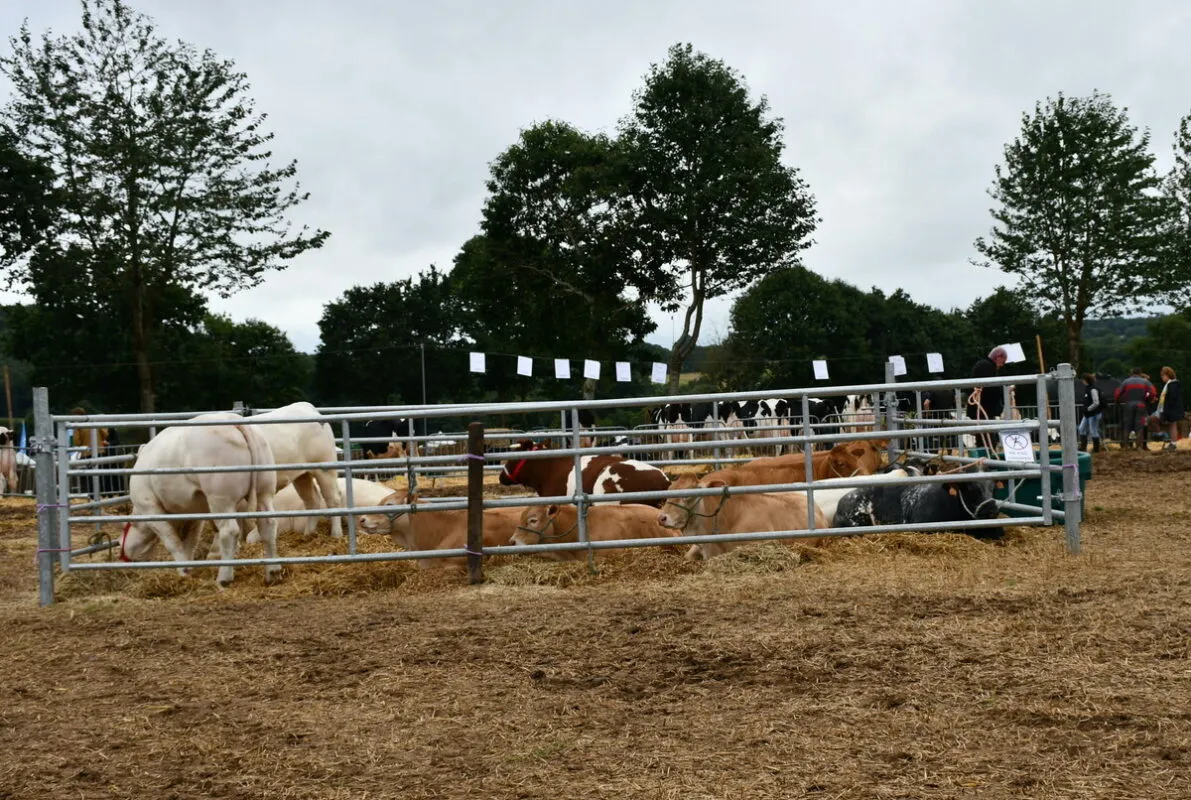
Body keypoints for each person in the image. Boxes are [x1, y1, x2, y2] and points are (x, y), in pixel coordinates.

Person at [1114, 368, 1157, 450]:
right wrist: (1148, 399)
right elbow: (1153, 392)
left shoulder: (1126, 382)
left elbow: (1117, 393)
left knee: (1127, 426)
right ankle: (1139, 447)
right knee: (1140, 426)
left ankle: (1125, 446)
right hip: (1141, 404)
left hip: (1128, 404)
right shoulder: (1145, 382)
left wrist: (1118, 402)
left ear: (1132, 373)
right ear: (1140, 373)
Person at [967, 346, 1008, 420]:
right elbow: (991, 388)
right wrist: (1005, 390)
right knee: (987, 430)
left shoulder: (985, 365)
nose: (1002, 365)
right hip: (982, 409)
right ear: (998, 357)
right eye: (1003, 361)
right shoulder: (987, 366)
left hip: (980, 409)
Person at [1156, 366, 1184, 451]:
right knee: (1172, 425)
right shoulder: (1171, 384)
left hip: (1172, 409)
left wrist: (1166, 410)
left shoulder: (1172, 385)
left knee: (1172, 425)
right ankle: (1172, 442)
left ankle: (1173, 443)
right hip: (1172, 409)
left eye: (1163, 376)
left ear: (1168, 375)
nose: (1162, 378)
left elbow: (1171, 398)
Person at [1078, 373, 1103, 452]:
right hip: (1088, 414)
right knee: (1081, 428)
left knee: (1093, 431)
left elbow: (1096, 402)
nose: (1082, 381)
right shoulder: (1088, 388)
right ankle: (1083, 447)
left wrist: (1088, 409)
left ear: (1086, 380)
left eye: (1083, 380)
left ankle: (1096, 449)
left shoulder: (1093, 389)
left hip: (1094, 413)